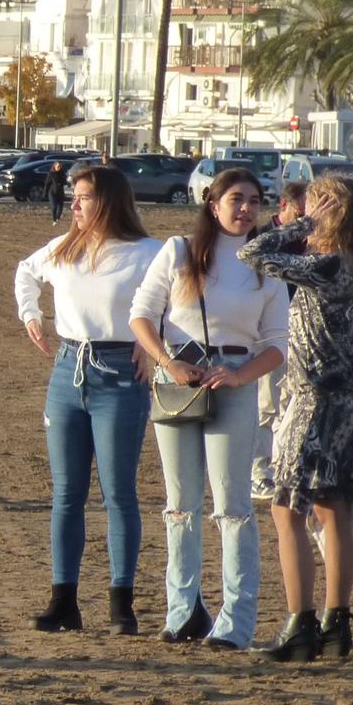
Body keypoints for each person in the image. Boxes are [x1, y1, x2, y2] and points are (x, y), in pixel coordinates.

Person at [241, 177, 353, 660]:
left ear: (328, 211)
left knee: (287, 510)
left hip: (313, 398)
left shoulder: (325, 264)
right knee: (333, 510)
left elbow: (252, 254)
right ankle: (338, 625)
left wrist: (303, 225)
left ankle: (300, 624)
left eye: (313, 204)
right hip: (351, 399)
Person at [129, 168, 288, 651]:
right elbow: (140, 315)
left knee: (233, 507)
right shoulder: (179, 251)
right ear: (212, 203)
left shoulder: (268, 264)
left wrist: (240, 376)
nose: (245, 209)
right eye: (236, 199)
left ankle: (236, 623)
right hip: (179, 384)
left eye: (254, 201)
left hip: (235, 386)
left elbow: (277, 343)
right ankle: (182, 612)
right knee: (180, 505)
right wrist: (168, 363)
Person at [14, 164, 161, 635]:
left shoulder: (147, 253)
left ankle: (122, 604)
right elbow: (25, 272)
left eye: (82, 197)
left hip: (121, 373)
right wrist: (31, 314)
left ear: (109, 202)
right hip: (68, 371)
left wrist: (153, 345)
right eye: (73, 196)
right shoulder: (65, 249)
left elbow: (180, 300)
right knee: (66, 494)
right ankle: (64, 601)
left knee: (118, 494)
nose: (72, 204)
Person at [251, 181, 309, 501]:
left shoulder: (311, 242)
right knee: (266, 405)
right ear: (283, 207)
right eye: (300, 214)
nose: (304, 222)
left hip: (301, 334)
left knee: (292, 403)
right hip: (266, 334)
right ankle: (260, 472)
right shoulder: (263, 238)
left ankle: (284, 467)